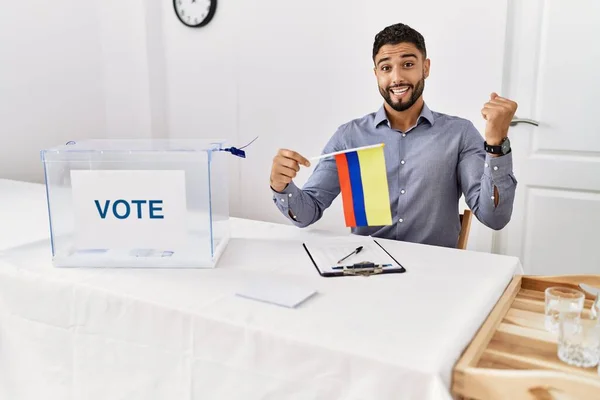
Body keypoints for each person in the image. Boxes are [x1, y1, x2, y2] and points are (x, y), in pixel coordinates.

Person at [269, 23, 518, 248]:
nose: (397, 77)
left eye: (408, 64)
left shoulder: (459, 134)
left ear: (426, 68)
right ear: (376, 73)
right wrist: (281, 187)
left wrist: (496, 144)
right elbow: (307, 213)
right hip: (366, 270)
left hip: (436, 274)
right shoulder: (350, 137)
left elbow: (494, 218)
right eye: (386, 67)